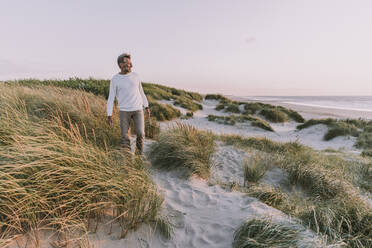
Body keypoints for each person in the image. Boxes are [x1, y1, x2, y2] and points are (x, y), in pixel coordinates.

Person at [107, 53, 150, 155]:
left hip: (138, 109)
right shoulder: (115, 79)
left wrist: (147, 106)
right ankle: (128, 159)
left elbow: (141, 92)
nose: (131, 65)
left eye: (131, 63)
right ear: (120, 64)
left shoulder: (136, 76)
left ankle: (138, 156)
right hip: (124, 111)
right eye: (128, 63)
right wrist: (109, 115)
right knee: (125, 137)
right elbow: (111, 98)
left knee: (141, 133)